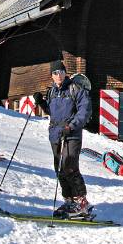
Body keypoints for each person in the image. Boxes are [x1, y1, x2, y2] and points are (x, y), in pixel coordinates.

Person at [44, 60, 92, 217]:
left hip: (71, 134)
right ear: (52, 76)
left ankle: (81, 202)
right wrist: (40, 102)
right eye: (56, 73)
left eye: (61, 72)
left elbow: (84, 111)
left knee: (69, 165)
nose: (59, 75)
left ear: (66, 73)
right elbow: (52, 111)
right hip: (56, 134)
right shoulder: (52, 91)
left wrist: (71, 126)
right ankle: (69, 200)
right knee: (59, 168)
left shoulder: (75, 89)